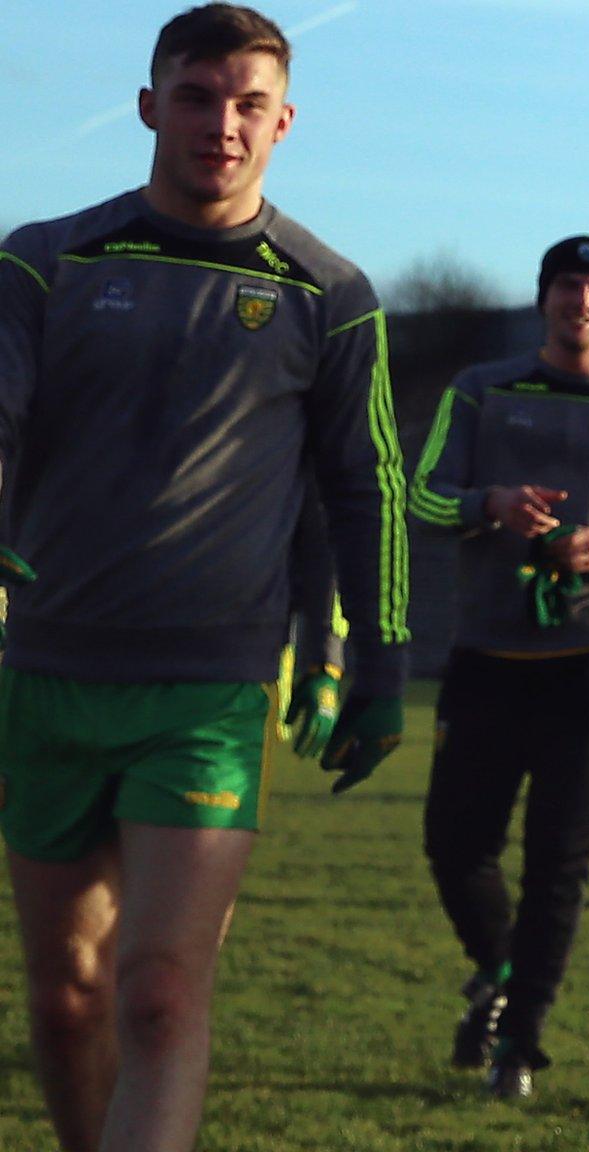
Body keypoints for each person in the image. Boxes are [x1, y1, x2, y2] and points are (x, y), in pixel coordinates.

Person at [0, 7, 410, 1149]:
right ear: (148, 105)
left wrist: (371, 665)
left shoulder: (330, 293)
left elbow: (364, 489)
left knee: (160, 992)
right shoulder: (45, 258)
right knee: (66, 997)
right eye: (195, 96)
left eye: (246, 105)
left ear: (284, 121)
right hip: (46, 672)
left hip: (211, 687)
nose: (220, 125)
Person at [408, 235, 589, 1098]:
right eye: (569, 285)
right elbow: (422, 496)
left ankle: (518, 1048)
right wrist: (488, 505)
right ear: (543, 299)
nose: (584, 300)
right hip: (487, 655)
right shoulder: (481, 391)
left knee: (558, 862)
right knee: (454, 845)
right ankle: (501, 971)